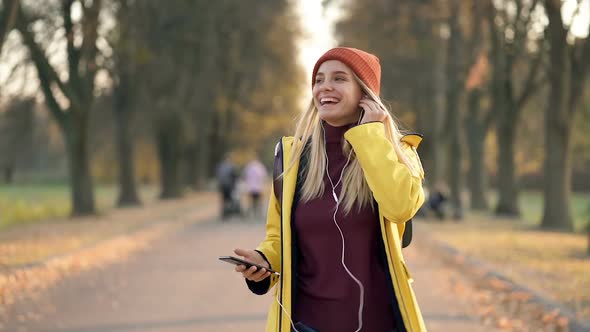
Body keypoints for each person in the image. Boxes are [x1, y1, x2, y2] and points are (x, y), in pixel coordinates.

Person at [233, 47, 427, 332]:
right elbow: (279, 238)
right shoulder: (293, 159)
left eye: (339, 78)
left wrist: (371, 138)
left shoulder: (398, 151)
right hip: (306, 323)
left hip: (380, 323)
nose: (325, 86)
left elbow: (401, 207)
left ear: (365, 93)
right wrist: (263, 261)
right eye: (319, 79)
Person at [216, 155, 239, 220]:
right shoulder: (231, 166)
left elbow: (218, 176)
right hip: (229, 186)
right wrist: (234, 186)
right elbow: (235, 176)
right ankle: (228, 214)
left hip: (222, 185)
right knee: (229, 200)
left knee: (223, 200)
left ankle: (223, 214)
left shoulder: (220, 166)